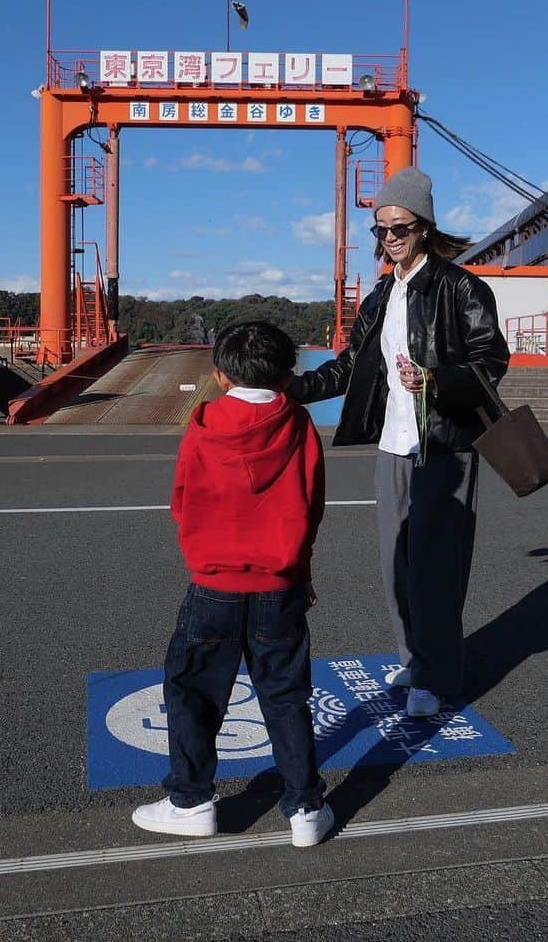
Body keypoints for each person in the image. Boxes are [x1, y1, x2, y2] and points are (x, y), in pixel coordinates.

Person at [288, 166, 509, 718]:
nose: (390, 239)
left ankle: (437, 677)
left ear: (425, 228)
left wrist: (437, 378)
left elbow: (492, 359)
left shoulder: (461, 287)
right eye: (382, 229)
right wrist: (286, 390)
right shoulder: (382, 294)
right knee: (396, 565)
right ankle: (415, 659)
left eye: (401, 228)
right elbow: (346, 367)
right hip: (392, 445)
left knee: (436, 565)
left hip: (444, 445)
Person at [132, 321, 334, 848]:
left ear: (221, 375)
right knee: (286, 696)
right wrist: (302, 569)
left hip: (214, 586)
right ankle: (305, 808)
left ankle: (191, 799)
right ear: (289, 374)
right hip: (280, 586)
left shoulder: (205, 424)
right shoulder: (299, 423)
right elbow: (311, 504)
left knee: (194, 691)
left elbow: (182, 501)